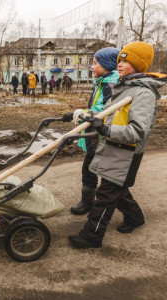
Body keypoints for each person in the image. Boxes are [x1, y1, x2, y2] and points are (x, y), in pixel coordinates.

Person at [67, 41, 165, 249]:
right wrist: (84, 115)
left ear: (139, 65)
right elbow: (107, 115)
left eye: (126, 61)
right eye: (119, 59)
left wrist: (105, 130)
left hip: (128, 152)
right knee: (117, 191)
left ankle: (91, 236)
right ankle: (135, 218)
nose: (119, 64)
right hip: (116, 146)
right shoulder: (125, 86)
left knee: (106, 195)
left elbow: (137, 132)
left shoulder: (144, 93)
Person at [62, 47, 120, 215]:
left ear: (107, 64)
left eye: (95, 63)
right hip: (96, 131)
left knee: (97, 171)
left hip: (102, 134)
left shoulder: (111, 84)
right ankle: (90, 201)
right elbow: (96, 107)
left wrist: (82, 115)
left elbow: (105, 111)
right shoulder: (103, 81)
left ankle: (88, 203)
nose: (91, 67)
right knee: (94, 169)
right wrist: (78, 113)